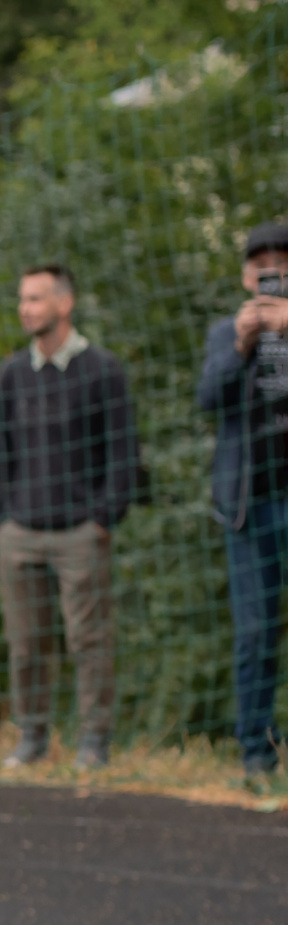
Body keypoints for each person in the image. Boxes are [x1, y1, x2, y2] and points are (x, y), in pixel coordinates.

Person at [0, 263, 141, 770]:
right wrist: (1, 516)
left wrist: (104, 517)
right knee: (26, 644)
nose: (25, 308)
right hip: (21, 531)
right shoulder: (13, 373)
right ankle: (32, 737)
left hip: (80, 531)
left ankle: (94, 741)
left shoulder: (102, 369)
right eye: (22, 299)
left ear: (64, 303)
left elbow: (124, 451)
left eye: (35, 298)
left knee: (89, 641)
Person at [196, 220, 288, 792]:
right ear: (245, 274)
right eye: (261, 262)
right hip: (249, 508)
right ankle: (256, 752)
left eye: (281, 261)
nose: (270, 270)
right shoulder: (225, 332)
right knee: (255, 632)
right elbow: (208, 398)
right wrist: (240, 343)